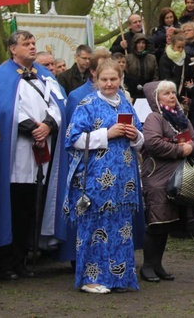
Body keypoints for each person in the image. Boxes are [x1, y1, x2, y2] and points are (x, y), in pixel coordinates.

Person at [0, 30, 65, 280]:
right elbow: (2, 108)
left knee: (29, 208)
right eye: (26, 44)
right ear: (12, 49)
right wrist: (31, 127)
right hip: (13, 152)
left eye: (33, 43)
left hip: (40, 152)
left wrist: (48, 125)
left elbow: (58, 104)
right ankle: (3, 263)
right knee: (10, 206)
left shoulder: (45, 76)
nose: (31, 47)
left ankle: (21, 260)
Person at [64, 59, 144, 294]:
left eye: (113, 79)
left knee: (121, 227)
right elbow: (73, 139)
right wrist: (106, 134)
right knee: (94, 227)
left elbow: (141, 139)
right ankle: (90, 279)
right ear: (95, 80)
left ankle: (119, 278)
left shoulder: (126, 105)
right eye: (104, 79)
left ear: (121, 79)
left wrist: (135, 134)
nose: (109, 84)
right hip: (95, 179)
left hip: (124, 181)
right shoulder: (87, 104)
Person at [140, 80, 194, 282]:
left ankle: (157, 265)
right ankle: (147, 266)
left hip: (177, 178)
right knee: (156, 223)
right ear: (155, 98)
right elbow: (152, 143)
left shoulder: (181, 119)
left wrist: (191, 148)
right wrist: (180, 148)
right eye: (166, 93)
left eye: (173, 92)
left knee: (166, 223)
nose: (172, 96)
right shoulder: (154, 117)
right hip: (157, 177)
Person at [125, 34, 159, 101]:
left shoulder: (152, 58)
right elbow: (126, 75)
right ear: (134, 44)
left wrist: (150, 88)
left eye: (143, 43)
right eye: (139, 43)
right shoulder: (127, 58)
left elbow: (156, 75)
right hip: (132, 92)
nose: (141, 45)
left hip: (148, 92)